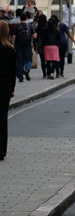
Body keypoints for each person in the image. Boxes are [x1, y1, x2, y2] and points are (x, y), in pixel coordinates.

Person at [0, 20, 16, 161]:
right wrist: (12, 89)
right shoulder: (10, 49)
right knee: (3, 118)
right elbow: (13, 72)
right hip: (4, 86)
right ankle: (1, 151)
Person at [11, 12, 34, 82]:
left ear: (20, 18)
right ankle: (26, 70)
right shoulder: (30, 26)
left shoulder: (17, 27)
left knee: (19, 62)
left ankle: (21, 78)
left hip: (18, 46)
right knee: (29, 60)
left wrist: (13, 45)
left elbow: (13, 37)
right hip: (28, 46)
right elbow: (35, 35)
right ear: (26, 18)